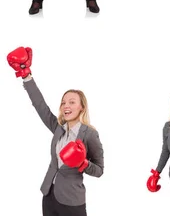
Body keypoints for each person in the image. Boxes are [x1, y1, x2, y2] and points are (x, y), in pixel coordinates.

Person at [6, 46, 104, 216]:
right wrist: (26, 76)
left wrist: (83, 164)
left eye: (72, 102)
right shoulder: (59, 129)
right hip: (49, 194)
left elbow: (100, 170)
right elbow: (40, 106)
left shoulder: (89, 134)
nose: (66, 106)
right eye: (64, 102)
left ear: (82, 108)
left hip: (72, 200)